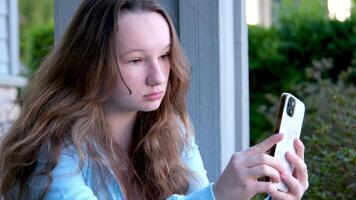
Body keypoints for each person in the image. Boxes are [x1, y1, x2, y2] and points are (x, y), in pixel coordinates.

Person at [0, 0, 309, 199]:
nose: (158, 77)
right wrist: (217, 195)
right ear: (90, 63)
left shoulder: (171, 129)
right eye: (135, 61)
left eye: (164, 56)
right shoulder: (51, 145)